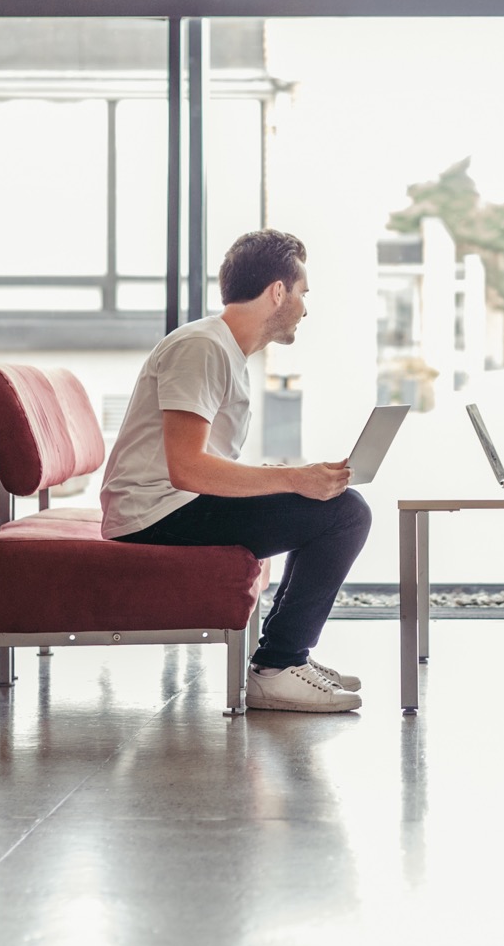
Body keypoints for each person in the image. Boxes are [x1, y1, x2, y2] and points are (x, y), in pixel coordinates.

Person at [101, 229, 370, 713]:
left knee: (328, 504)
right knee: (346, 513)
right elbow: (186, 469)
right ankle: (277, 665)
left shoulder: (223, 349)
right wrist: (291, 479)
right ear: (278, 292)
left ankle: (285, 657)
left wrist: (289, 479)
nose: (306, 309)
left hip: (173, 506)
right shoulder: (202, 348)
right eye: (303, 293)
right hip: (156, 516)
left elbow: (199, 462)